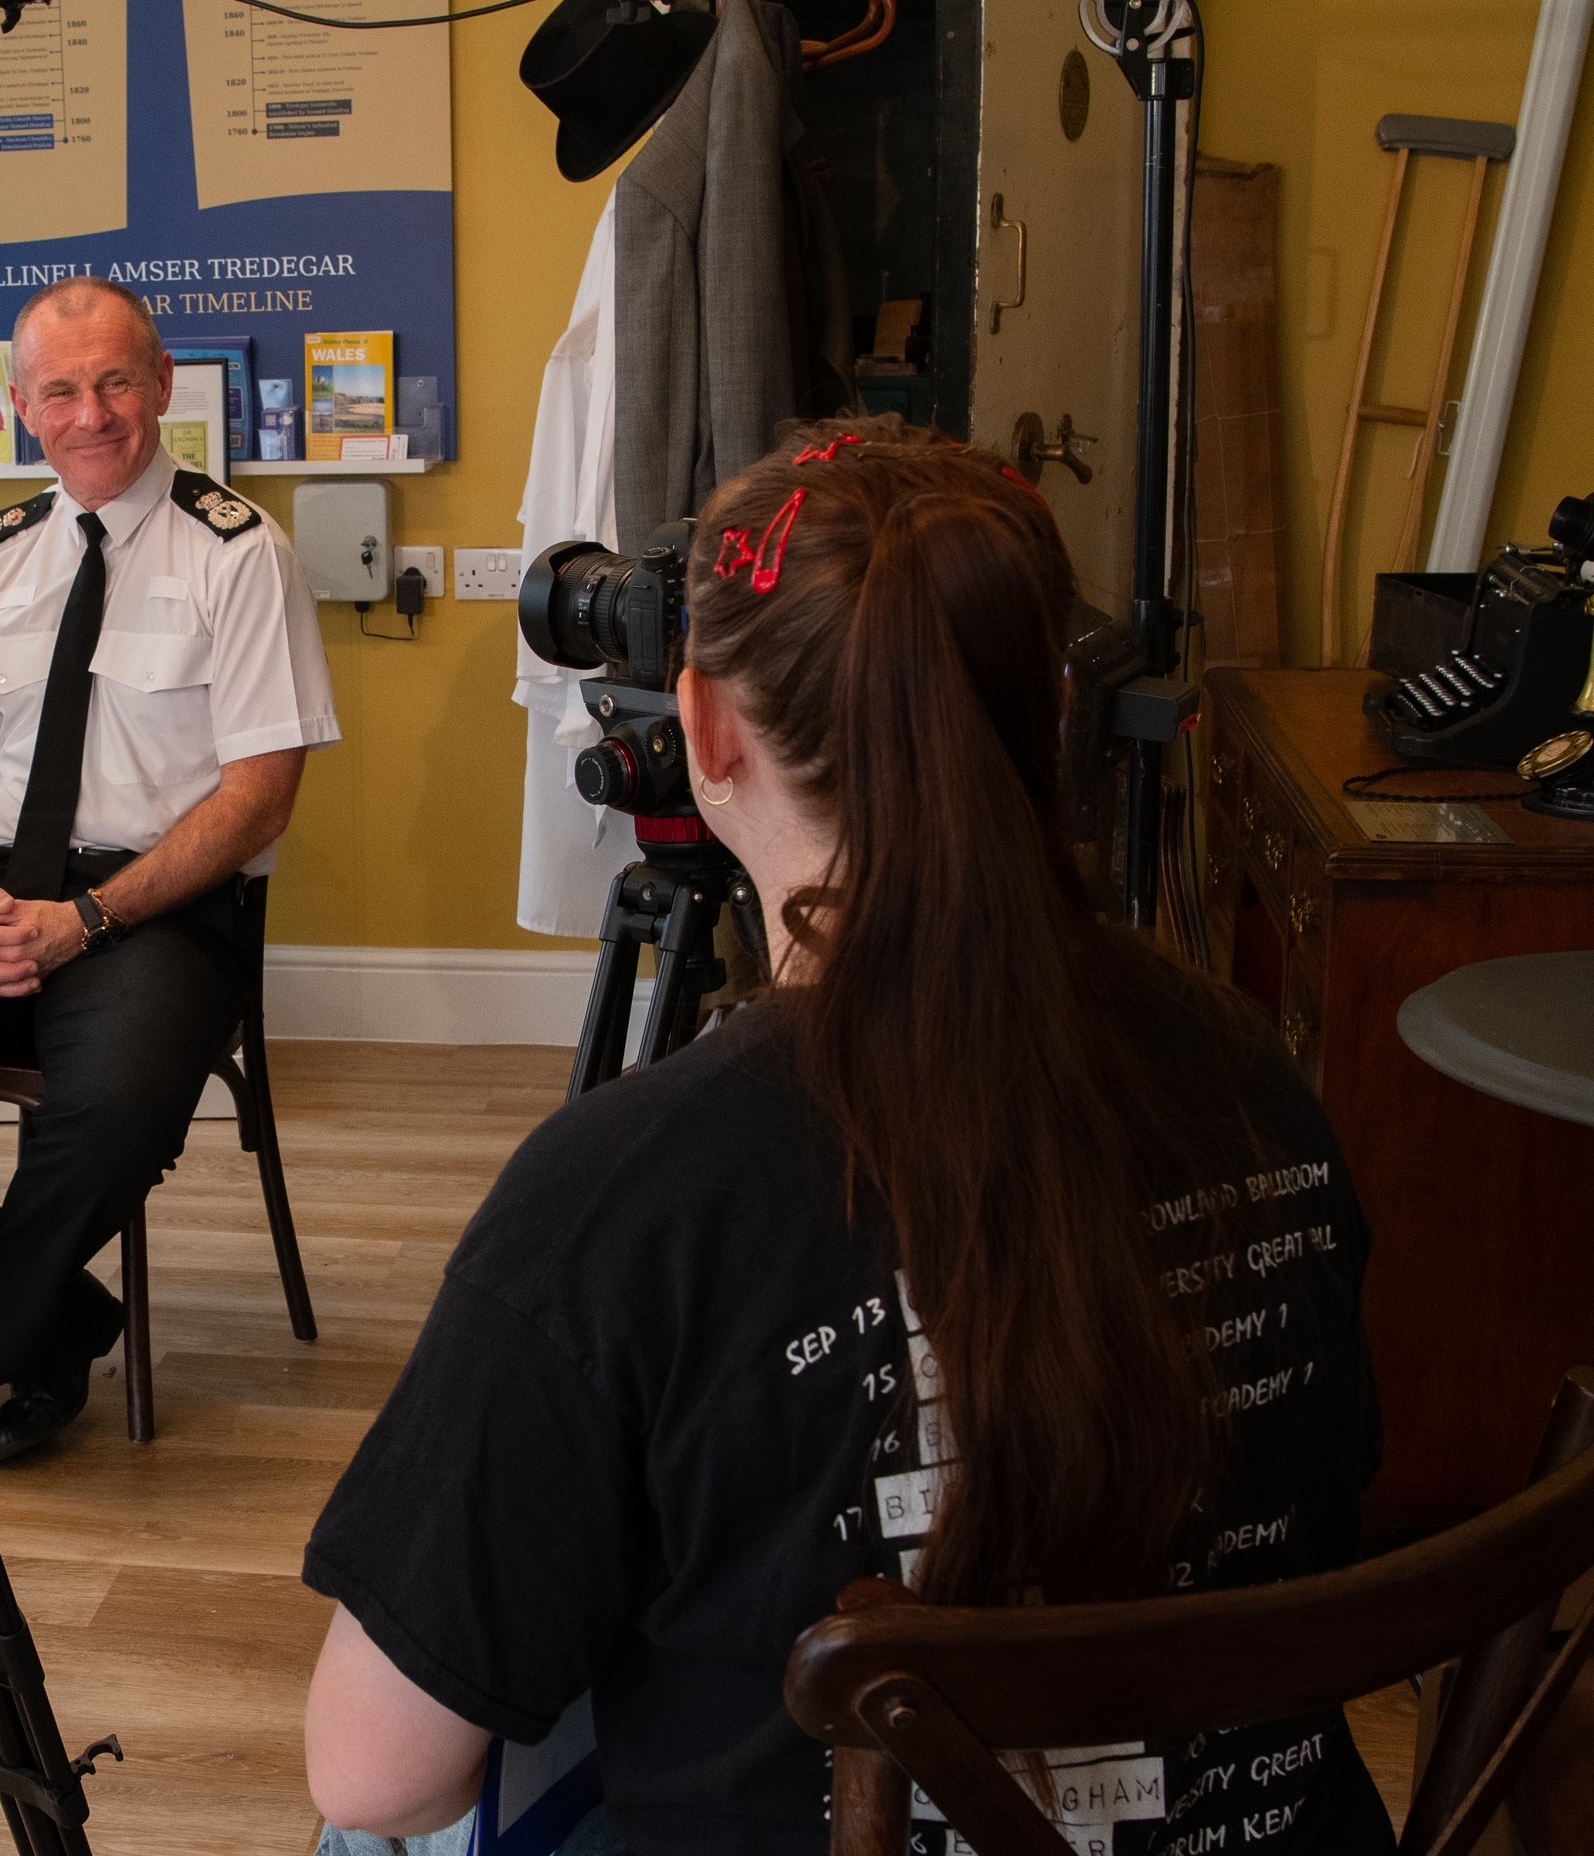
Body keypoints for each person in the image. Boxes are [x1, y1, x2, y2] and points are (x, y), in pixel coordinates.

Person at [300, 423, 1393, 1856]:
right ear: (1055, 707)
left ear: (705, 728)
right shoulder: (1254, 1073)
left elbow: (378, 1776)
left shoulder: (627, 1201)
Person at [0, 277, 338, 1493]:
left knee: (113, 1108)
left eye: (115, 381)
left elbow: (259, 796)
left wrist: (88, 918)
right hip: (0, 895)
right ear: (22, 406)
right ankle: (47, 1324)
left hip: (157, 913)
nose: (92, 413)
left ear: (161, 385)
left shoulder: (239, 553)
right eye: (61, 389)